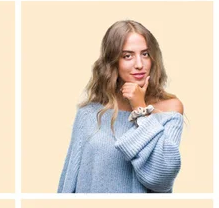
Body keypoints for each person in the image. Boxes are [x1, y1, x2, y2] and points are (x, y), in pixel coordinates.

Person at [58, 20, 183, 193]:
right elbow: (69, 179)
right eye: (127, 56)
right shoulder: (89, 113)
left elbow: (161, 178)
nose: (139, 64)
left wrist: (140, 109)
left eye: (145, 54)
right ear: (113, 61)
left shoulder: (169, 110)